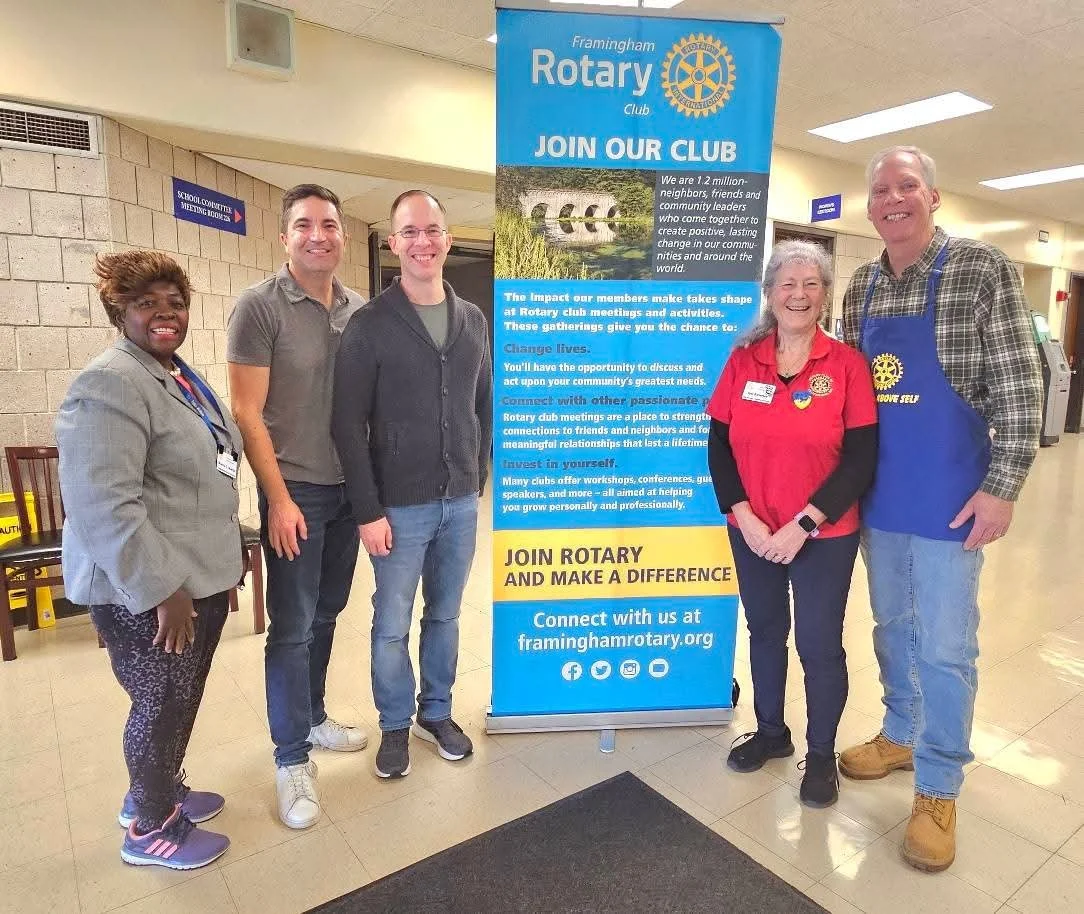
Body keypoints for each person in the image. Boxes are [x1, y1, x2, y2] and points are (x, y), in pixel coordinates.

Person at [839, 146, 1043, 872]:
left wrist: (1004, 485)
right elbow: (847, 395)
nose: (893, 199)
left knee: (947, 646)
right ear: (870, 207)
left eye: (907, 186)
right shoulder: (860, 284)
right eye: (881, 190)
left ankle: (939, 784)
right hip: (879, 496)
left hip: (955, 496)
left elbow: (1022, 385)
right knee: (892, 626)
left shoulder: (980, 270)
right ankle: (900, 731)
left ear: (934, 196)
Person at [57, 251, 243, 869]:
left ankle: (159, 790)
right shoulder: (109, 382)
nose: (165, 315)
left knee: (179, 697)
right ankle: (150, 828)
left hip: (193, 573)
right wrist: (164, 589)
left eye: (176, 304)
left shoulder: (174, 373)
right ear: (120, 311)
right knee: (160, 703)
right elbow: (104, 504)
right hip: (149, 588)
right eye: (147, 304)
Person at [706, 240, 878, 808]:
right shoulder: (744, 359)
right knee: (765, 631)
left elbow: (860, 459)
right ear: (770, 293)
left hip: (823, 534)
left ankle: (821, 753)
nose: (798, 294)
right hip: (753, 528)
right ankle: (773, 733)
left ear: (825, 295)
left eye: (811, 284)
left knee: (819, 643)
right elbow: (719, 446)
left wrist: (802, 523)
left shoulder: (847, 365)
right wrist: (745, 516)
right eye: (787, 284)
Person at [332, 189, 492, 779]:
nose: (422, 242)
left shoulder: (472, 318)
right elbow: (347, 424)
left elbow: (482, 402)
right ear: (394, 242)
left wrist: (478, 473)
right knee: (391, 623)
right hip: (398, 506)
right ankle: (395, 724)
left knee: (446, 616)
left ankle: (437, 712)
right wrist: (367, 509)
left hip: (460, 500)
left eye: (432, 230)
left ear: (448, 238)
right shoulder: (370, 325)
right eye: (409, 232)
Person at [227, 184, 366, 830]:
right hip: (296, 492)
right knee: (290, 627)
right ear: (285, 238)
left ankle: (311, 718)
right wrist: (277, 500)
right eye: (304, 225)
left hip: (346, 492)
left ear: (341, 236)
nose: (319, 235)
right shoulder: (259, 308)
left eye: (330, 225)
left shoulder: (357, 310)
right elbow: (247, 412)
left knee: (328, 614)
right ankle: (290, 761)